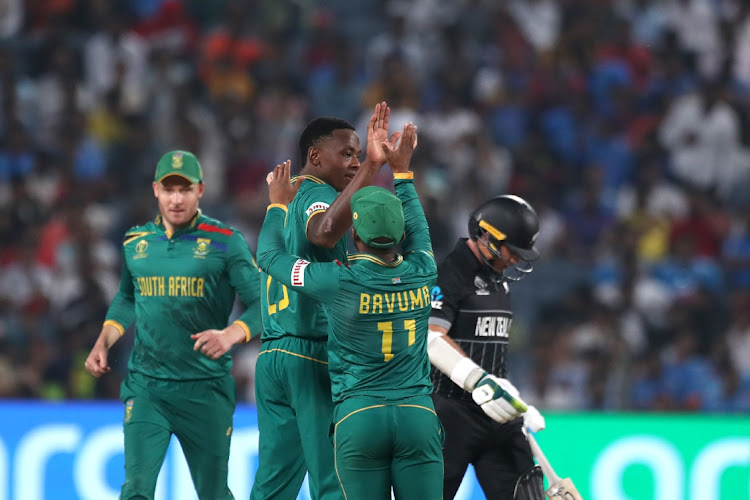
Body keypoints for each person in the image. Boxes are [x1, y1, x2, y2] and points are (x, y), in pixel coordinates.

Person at [256, 144, 449, 499]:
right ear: (401, 234)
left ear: (355, 236)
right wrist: (402, 174)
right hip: (417, 415)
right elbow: (420, 232)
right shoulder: (424, 270)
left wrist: (277, 206)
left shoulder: (337, 280)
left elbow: (269, 256)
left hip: (360, 417)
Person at [84, 150, 262, 500]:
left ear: (201, 190)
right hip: (148, 388)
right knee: (135, 491)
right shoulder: (136, 243)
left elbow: (265, 303)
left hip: (205, 389)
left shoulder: (225, 242)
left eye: (185, 189)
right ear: (155, 190)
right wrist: (104, 339)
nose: (176, 199)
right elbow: (127, 298)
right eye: (169, 190)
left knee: (213, 493)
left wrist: (231, 334)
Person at [425, 194, 546, 499]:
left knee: (527, 494)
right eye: (512, 251)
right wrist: (479, 380)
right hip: (446, 413)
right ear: (488, 235)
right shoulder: (451, 274)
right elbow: (431, 338)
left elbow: (488, 348)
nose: (516, 259)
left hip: (496, 412)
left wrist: (511, 397)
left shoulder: (498, 278)